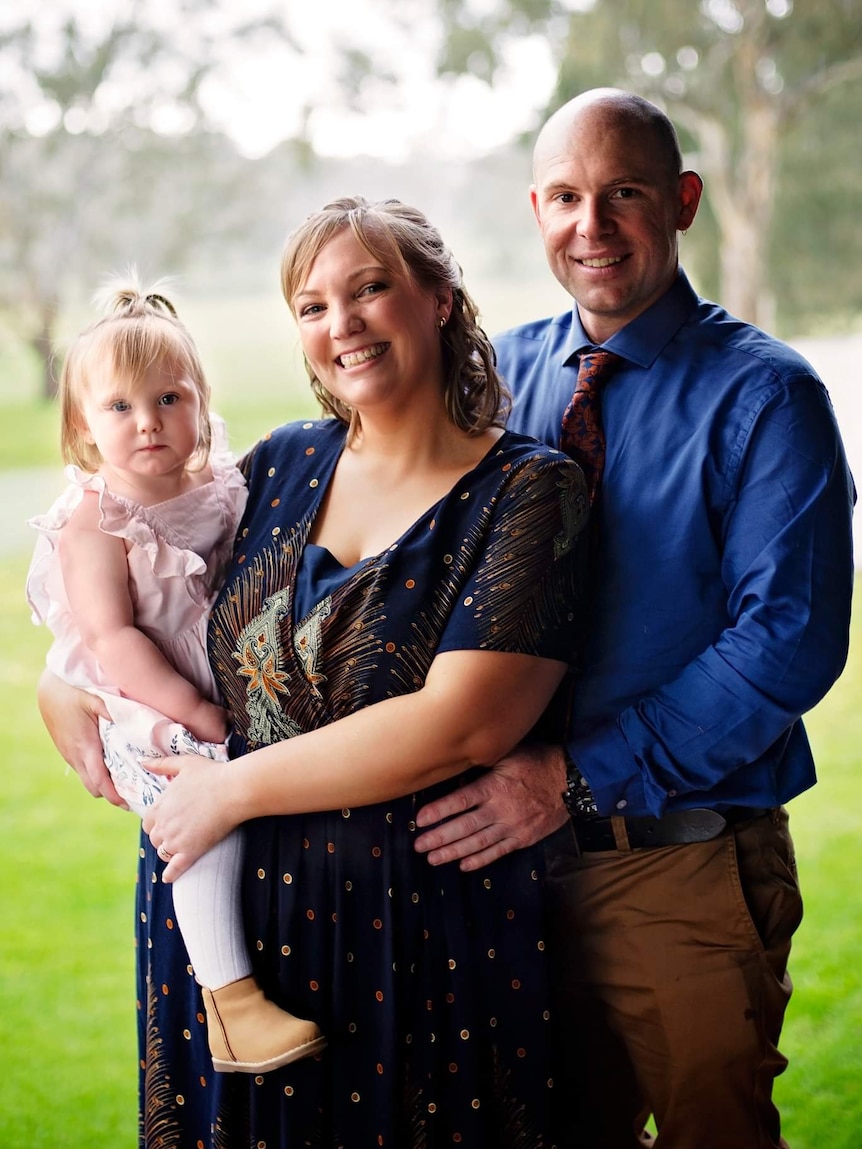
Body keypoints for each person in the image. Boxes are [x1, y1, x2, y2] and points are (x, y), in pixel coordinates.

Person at [39, 198, 590, 1147]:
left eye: (370, 289)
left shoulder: (527, 491)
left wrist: (230, 790)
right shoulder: (280, 464)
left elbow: (464, 724)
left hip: (413, 932)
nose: (343, 324)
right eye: (313, 304)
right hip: (223, 932)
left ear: (441, 300)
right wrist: (63, 684)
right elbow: (140, 591)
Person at [412, 88, 856, 1149]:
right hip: (506, 878)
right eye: (565, 196)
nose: (591, 225)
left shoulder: (766, 396)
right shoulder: (492, 380)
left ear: (684, 202)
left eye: (624, 194)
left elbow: (783, 645)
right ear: (534, 211)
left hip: (679, 871)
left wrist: (567, 778)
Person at [26, 279, 325, 1077]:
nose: (148, 421)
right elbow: (113, 638)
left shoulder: (221, 486)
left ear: (200, 401)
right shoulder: (95, 518)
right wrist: (193, 707)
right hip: (141, 704)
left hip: (214, 686)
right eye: (118, 407)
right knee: (200, 814)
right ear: (83, 425)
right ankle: (231, 1002)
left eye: (168, 397)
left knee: (232, 795)